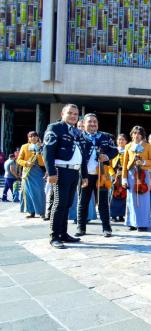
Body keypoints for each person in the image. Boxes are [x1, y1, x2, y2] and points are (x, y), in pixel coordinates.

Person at [43, 104, 88, 249]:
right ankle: (54, 236)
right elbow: (48, 152)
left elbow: (83, 155)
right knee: (59, 203)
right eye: (70, 113)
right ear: (63, 113)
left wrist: (84, 175)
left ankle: (63, 233)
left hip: (74, 172)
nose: (73, 116)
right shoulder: (55, 128)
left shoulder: (77, 131)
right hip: (60, 171)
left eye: (76, 114)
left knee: (67, 204)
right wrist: (51, 172)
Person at [74, 114, 118, 238]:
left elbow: (115, 150)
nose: (93, 124)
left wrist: (107, 156)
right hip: (85, 174)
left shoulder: (105, 136)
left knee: (103, 203)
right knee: (83, 202)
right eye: (90, 122)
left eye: (95, 122)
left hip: (102, 175)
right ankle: (81, 227)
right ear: (84, 123)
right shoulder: (78, 136)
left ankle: (106, 228)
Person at [122, 126, 151, 231]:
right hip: (131, 174)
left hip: (143, 174)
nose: (136, 135)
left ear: (142, 135)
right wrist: (124, 178)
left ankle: (143, 223)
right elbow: (124, 164)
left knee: (144, 199)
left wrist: (143, 162)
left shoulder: (148, 146)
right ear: (132, 134)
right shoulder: (128, 146)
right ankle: (132, 222)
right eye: (135, 133)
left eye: (139, 133)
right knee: (131, 199)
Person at [17, 132, 46, 218]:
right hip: (27, 173)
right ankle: (31, 212)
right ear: (28, 138)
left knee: (39, 192)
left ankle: (41, 212)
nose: (33, 138)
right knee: (28, 192)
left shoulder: (42, 146)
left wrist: (39, 150)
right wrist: (26, 163)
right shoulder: (24, 147)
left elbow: (45, 160)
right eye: (31, 136)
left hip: (39, 172)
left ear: (38, 137)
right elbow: (19, 160)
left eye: (35, 136)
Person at [109, 134, 128, 222]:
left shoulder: (128, 151)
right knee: (113, 195)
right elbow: (108, 165)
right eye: (119, 139)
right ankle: (113, 215)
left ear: (126, 141)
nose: (121, 141)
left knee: (123, 195)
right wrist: (113, 174)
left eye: (123, 140)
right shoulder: (113, 151)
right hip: (114, 175)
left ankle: (121, 215)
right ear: (117, 141)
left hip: (124, 175)